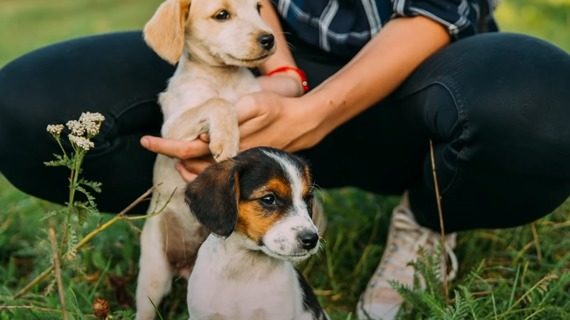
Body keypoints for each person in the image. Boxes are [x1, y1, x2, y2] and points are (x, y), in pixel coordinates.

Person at [1, 0, 569, 318]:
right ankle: (204, 220)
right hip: (272, 56)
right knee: (24, 104)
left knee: (540, 104)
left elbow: (440, 6)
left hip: (425, 70)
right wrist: (283, 79)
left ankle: (428, 217)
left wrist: (315, 111)